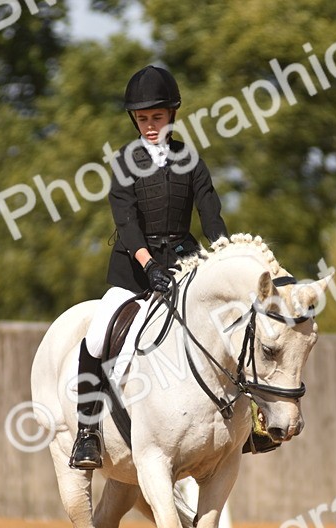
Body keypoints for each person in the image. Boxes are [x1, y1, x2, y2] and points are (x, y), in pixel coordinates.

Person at [69, 65, 229, 470]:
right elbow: (126, 223)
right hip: (134, 267)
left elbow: (210, 214)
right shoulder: (125, 161)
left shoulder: (190, 160)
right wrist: (149, 264)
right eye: (143, 119)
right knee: (97, 336)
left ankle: (254, 421)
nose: (151, 125)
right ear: (135, 120)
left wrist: (226, 254)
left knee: (232, 322)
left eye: (157, 117)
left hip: (185, 264)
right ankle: (87, 433)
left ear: (172, 114)